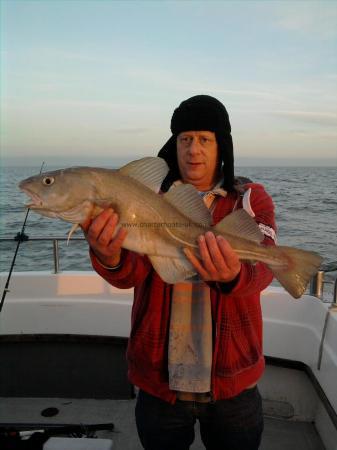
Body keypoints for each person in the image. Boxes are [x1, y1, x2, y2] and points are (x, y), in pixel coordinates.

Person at [82, 95, 276, 450]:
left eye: (205, 139)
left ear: (222, 145)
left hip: (234, 383)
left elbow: (263, 267)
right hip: (159, 381)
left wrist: (234, 274)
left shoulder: (249, 200)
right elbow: (130, 274)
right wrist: (107, 254)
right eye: (185, 139)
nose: (193, 150)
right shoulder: (145, 198)